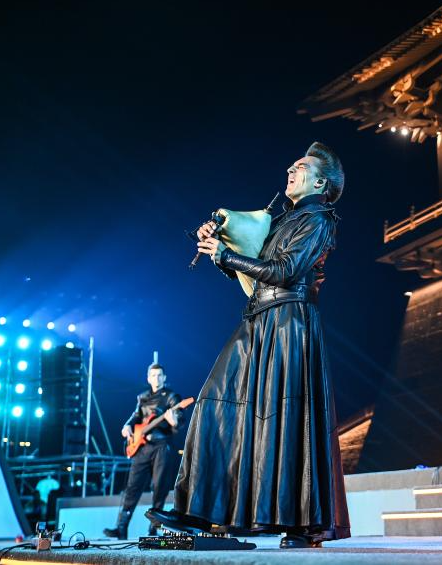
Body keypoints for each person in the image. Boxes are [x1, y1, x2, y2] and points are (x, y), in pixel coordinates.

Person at [150, 142, 350, 548]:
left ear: (320, 183)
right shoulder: (282, 220)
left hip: (290, 323)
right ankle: (199, 511)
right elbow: (256, 273)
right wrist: (219, 251)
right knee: (215, 402)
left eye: (301, 167)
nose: (290, 170)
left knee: (286, 419)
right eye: (292, 164)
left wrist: (227, 255)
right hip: (258, 319)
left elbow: (285, 270)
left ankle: (298, 523)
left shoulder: (319, 220)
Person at [102, 362, 181, 539]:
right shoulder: (143, 397)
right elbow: (135, 416)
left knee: (159, 487)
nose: (156, 379)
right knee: (132, 487)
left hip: (161, 446)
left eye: (159, 375)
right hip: (142, 447)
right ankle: (121, 528)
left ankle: (154, 528)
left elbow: (178, 422)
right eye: (153, 375)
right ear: (148, 378)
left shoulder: (171, 397)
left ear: (164, 378)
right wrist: (127, 426)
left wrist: (173, 421)